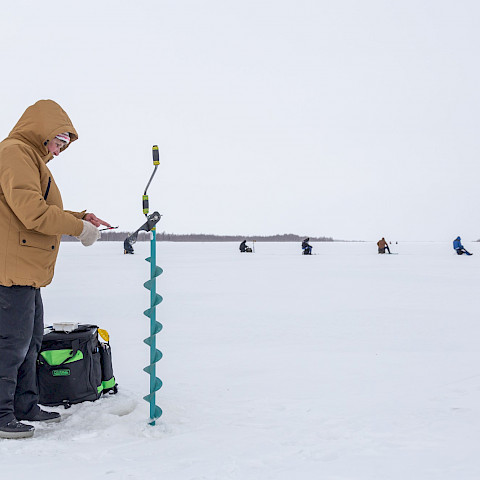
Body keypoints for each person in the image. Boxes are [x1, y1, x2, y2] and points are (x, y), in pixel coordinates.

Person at [0, 100, 111, 439]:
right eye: (59, 143)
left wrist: (79, 217)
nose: (60, 152)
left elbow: (41, 207)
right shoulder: (14, 153)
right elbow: (32, 212)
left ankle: (24, 404)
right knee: (11, 344)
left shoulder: (31, 158)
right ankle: (2, 413)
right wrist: (78, 230)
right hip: (10, 269)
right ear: (44, 132)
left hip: (27, 270)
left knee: (31, 342)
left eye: (64, 146)